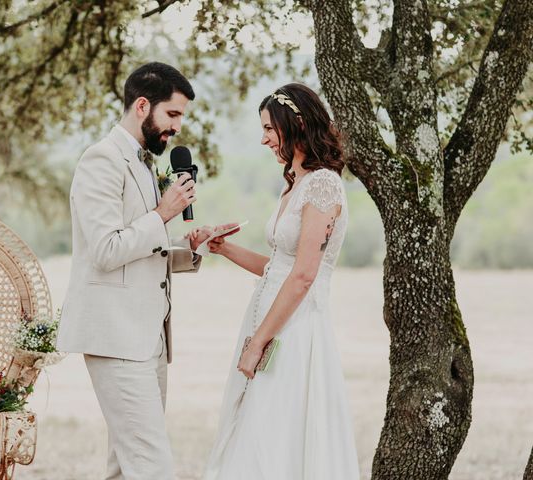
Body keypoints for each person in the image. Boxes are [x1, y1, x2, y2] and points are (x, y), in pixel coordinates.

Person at [57, 62, 218, 480]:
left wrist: (190, 248)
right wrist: (163, 212)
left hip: (150, 341)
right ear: (142, 105)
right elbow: (107, 250)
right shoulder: (101, 161)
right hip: (117, 339)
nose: (177, 127)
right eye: (173, 114)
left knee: (125, 469)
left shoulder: (144, 163)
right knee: (152, 466)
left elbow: (144, 248)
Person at [198, 83, 360, 479]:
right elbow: (280, 266)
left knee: (274, 435)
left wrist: (259, 343)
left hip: (293, 331)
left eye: (270, 128)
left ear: (297, 123)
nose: (264, 138)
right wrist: (223, 249)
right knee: (253, 433)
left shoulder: (323, 185)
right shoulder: (296, 185)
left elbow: (304, 275)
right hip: (267, 323)